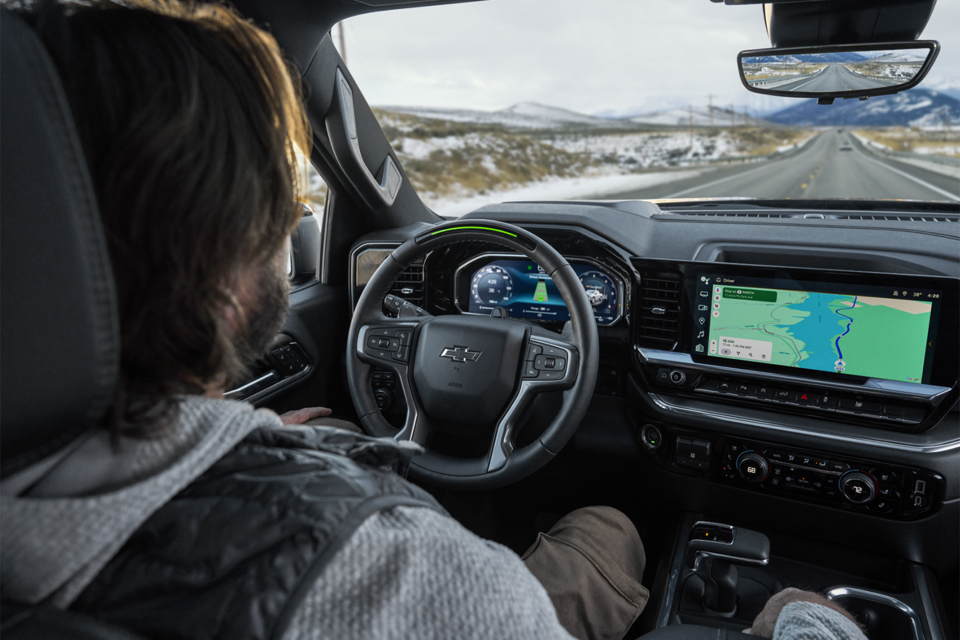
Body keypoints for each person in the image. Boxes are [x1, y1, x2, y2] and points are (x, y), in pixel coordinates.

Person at [0, 2, 866, 639]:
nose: (292, 224)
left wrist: (259, 439)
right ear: (224, 279)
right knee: (610, 525)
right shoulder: (407, 580)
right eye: (278, 207)